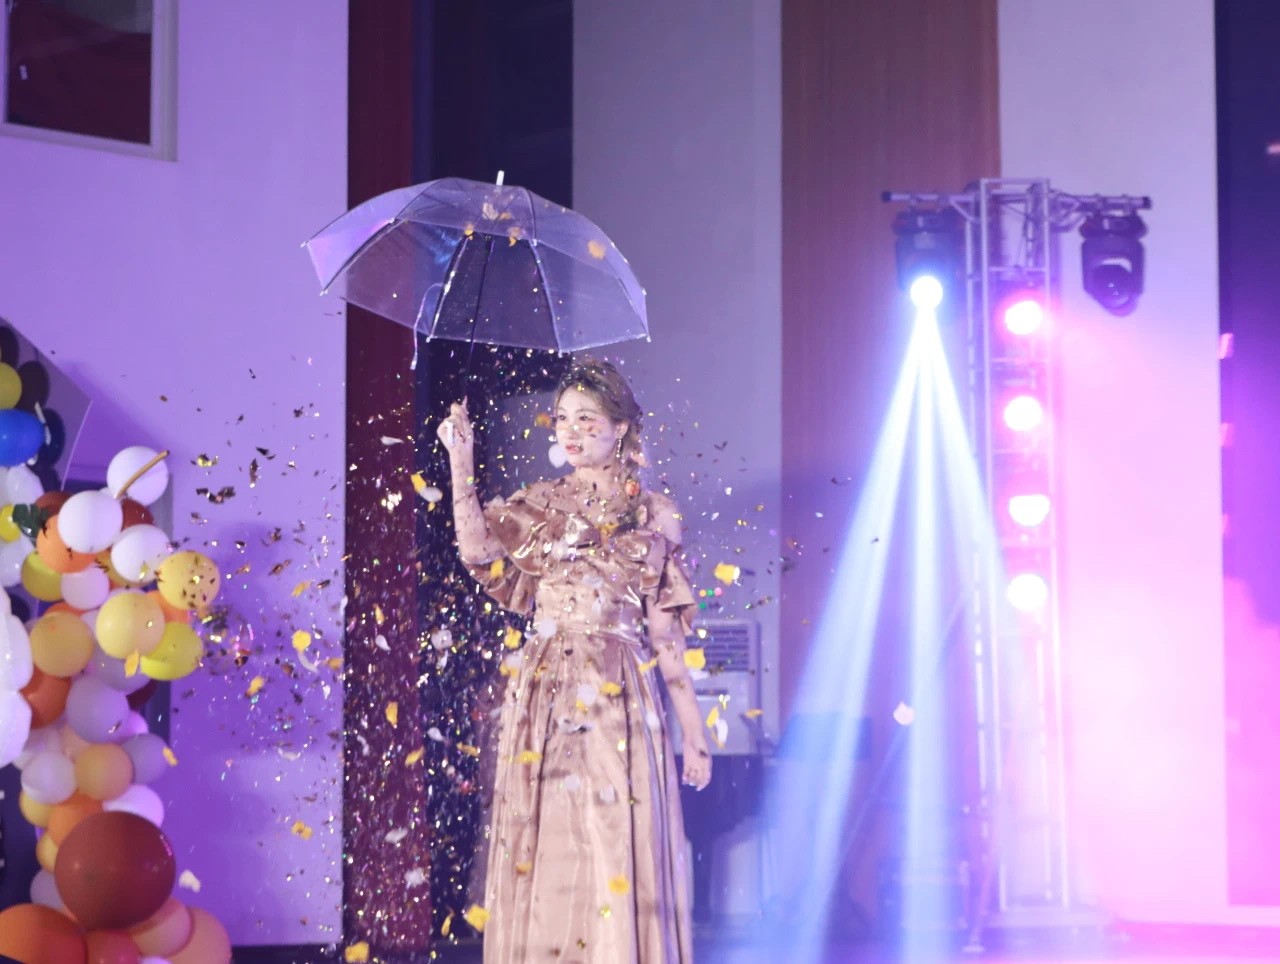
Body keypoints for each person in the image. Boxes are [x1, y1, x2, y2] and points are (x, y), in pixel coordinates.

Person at [438, 359, 710, 963]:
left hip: (618, 689)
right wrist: (461, 461)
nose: (570, 431)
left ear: (621, 427)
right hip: (546, 687)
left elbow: (666, 639)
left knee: (614, 837)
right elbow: (478, 550)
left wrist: (694, 734)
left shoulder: (655, 514)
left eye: (586, 418)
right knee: (550, 837)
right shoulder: (541, 503)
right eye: (562, 419)